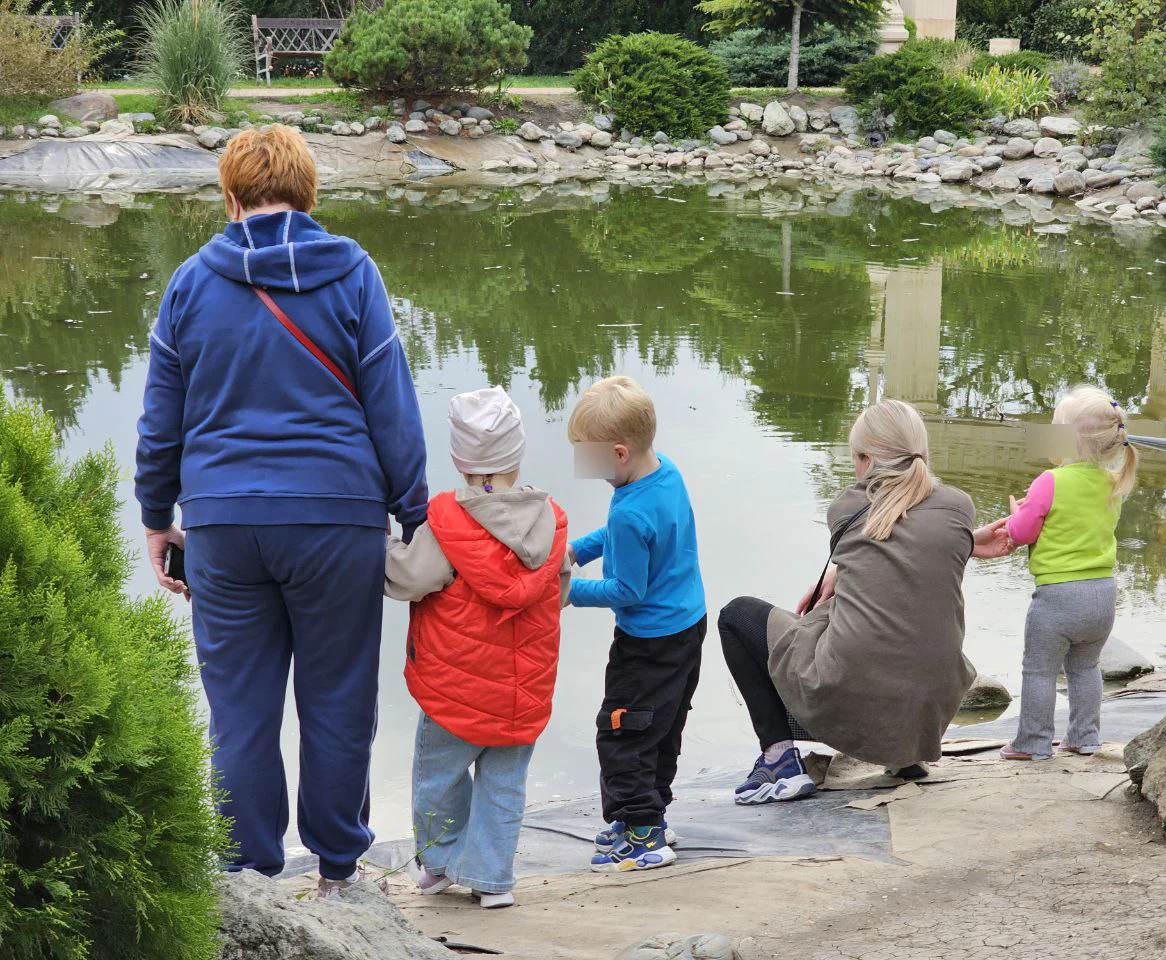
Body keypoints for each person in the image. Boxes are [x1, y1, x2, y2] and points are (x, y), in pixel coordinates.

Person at [134, 125, 427, 897]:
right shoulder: (354, 272)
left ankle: (246, 875)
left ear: (230, 198)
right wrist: (414, 508)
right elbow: (389, 403)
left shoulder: (192, 283)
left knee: (239, 709)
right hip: (338, 517)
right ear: (308, 193)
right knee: (337, 700)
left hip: (224, 521)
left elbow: (161, 416)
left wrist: (156, 513)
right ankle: (338, 873)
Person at [718, 398, 1014, 804]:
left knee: (737, 616)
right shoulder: (959, 506)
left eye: (855, 458)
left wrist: (835, 575)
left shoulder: (846, 508)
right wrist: (967, 542)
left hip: (851, 701)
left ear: (866, 458)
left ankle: (778, 758)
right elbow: (908, 554)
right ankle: (904, 758)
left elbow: (885, 540)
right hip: (929, 710)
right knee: (897, 626)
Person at [385, 386, 569, 909]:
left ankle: (441, 863)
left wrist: (382, 544)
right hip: (523, 691)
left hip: (454, 693)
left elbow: (409, 579)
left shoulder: (445, 521)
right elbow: (559, 595)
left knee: (438, 778)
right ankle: (493, 880)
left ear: (459, 459)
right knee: (503, 784)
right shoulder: (551, 521)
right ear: (516, 454)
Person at [564, 376, 705, 873]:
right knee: (661, 728)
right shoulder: (665, 471)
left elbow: (627, 590)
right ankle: (651, 815)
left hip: (647, 645)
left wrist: (563, 591)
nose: (588, 470)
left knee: (622, 732)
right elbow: (633, 533)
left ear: (619, 453)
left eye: (590, 458)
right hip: (688, 627)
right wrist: (579, 550)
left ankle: (643, 832)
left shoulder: (629, 511)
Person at [1001, 386, 1138, 761]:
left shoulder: (1050, 480)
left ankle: (1032, 742)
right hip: (1103, 594)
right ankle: (1084, 737)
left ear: (1069, 440)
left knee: (1039, 670)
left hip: (1058, 596)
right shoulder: (1114, 482)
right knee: (1086, 667)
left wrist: (1015, 518)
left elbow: (1024, 532)